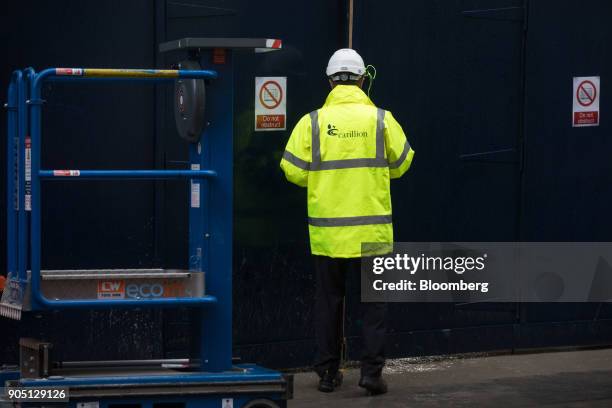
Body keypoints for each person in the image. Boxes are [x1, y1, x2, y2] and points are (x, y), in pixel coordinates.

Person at [280, 48, 415, 395]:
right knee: (373, 306)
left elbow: (292, 171)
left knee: (329, 302)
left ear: (329, 81)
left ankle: (327, 374)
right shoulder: (382, 120)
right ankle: (371, 374)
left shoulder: (312, 122)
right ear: (363, 79)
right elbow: (402, 165)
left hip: (328, 234)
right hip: (371, 231)